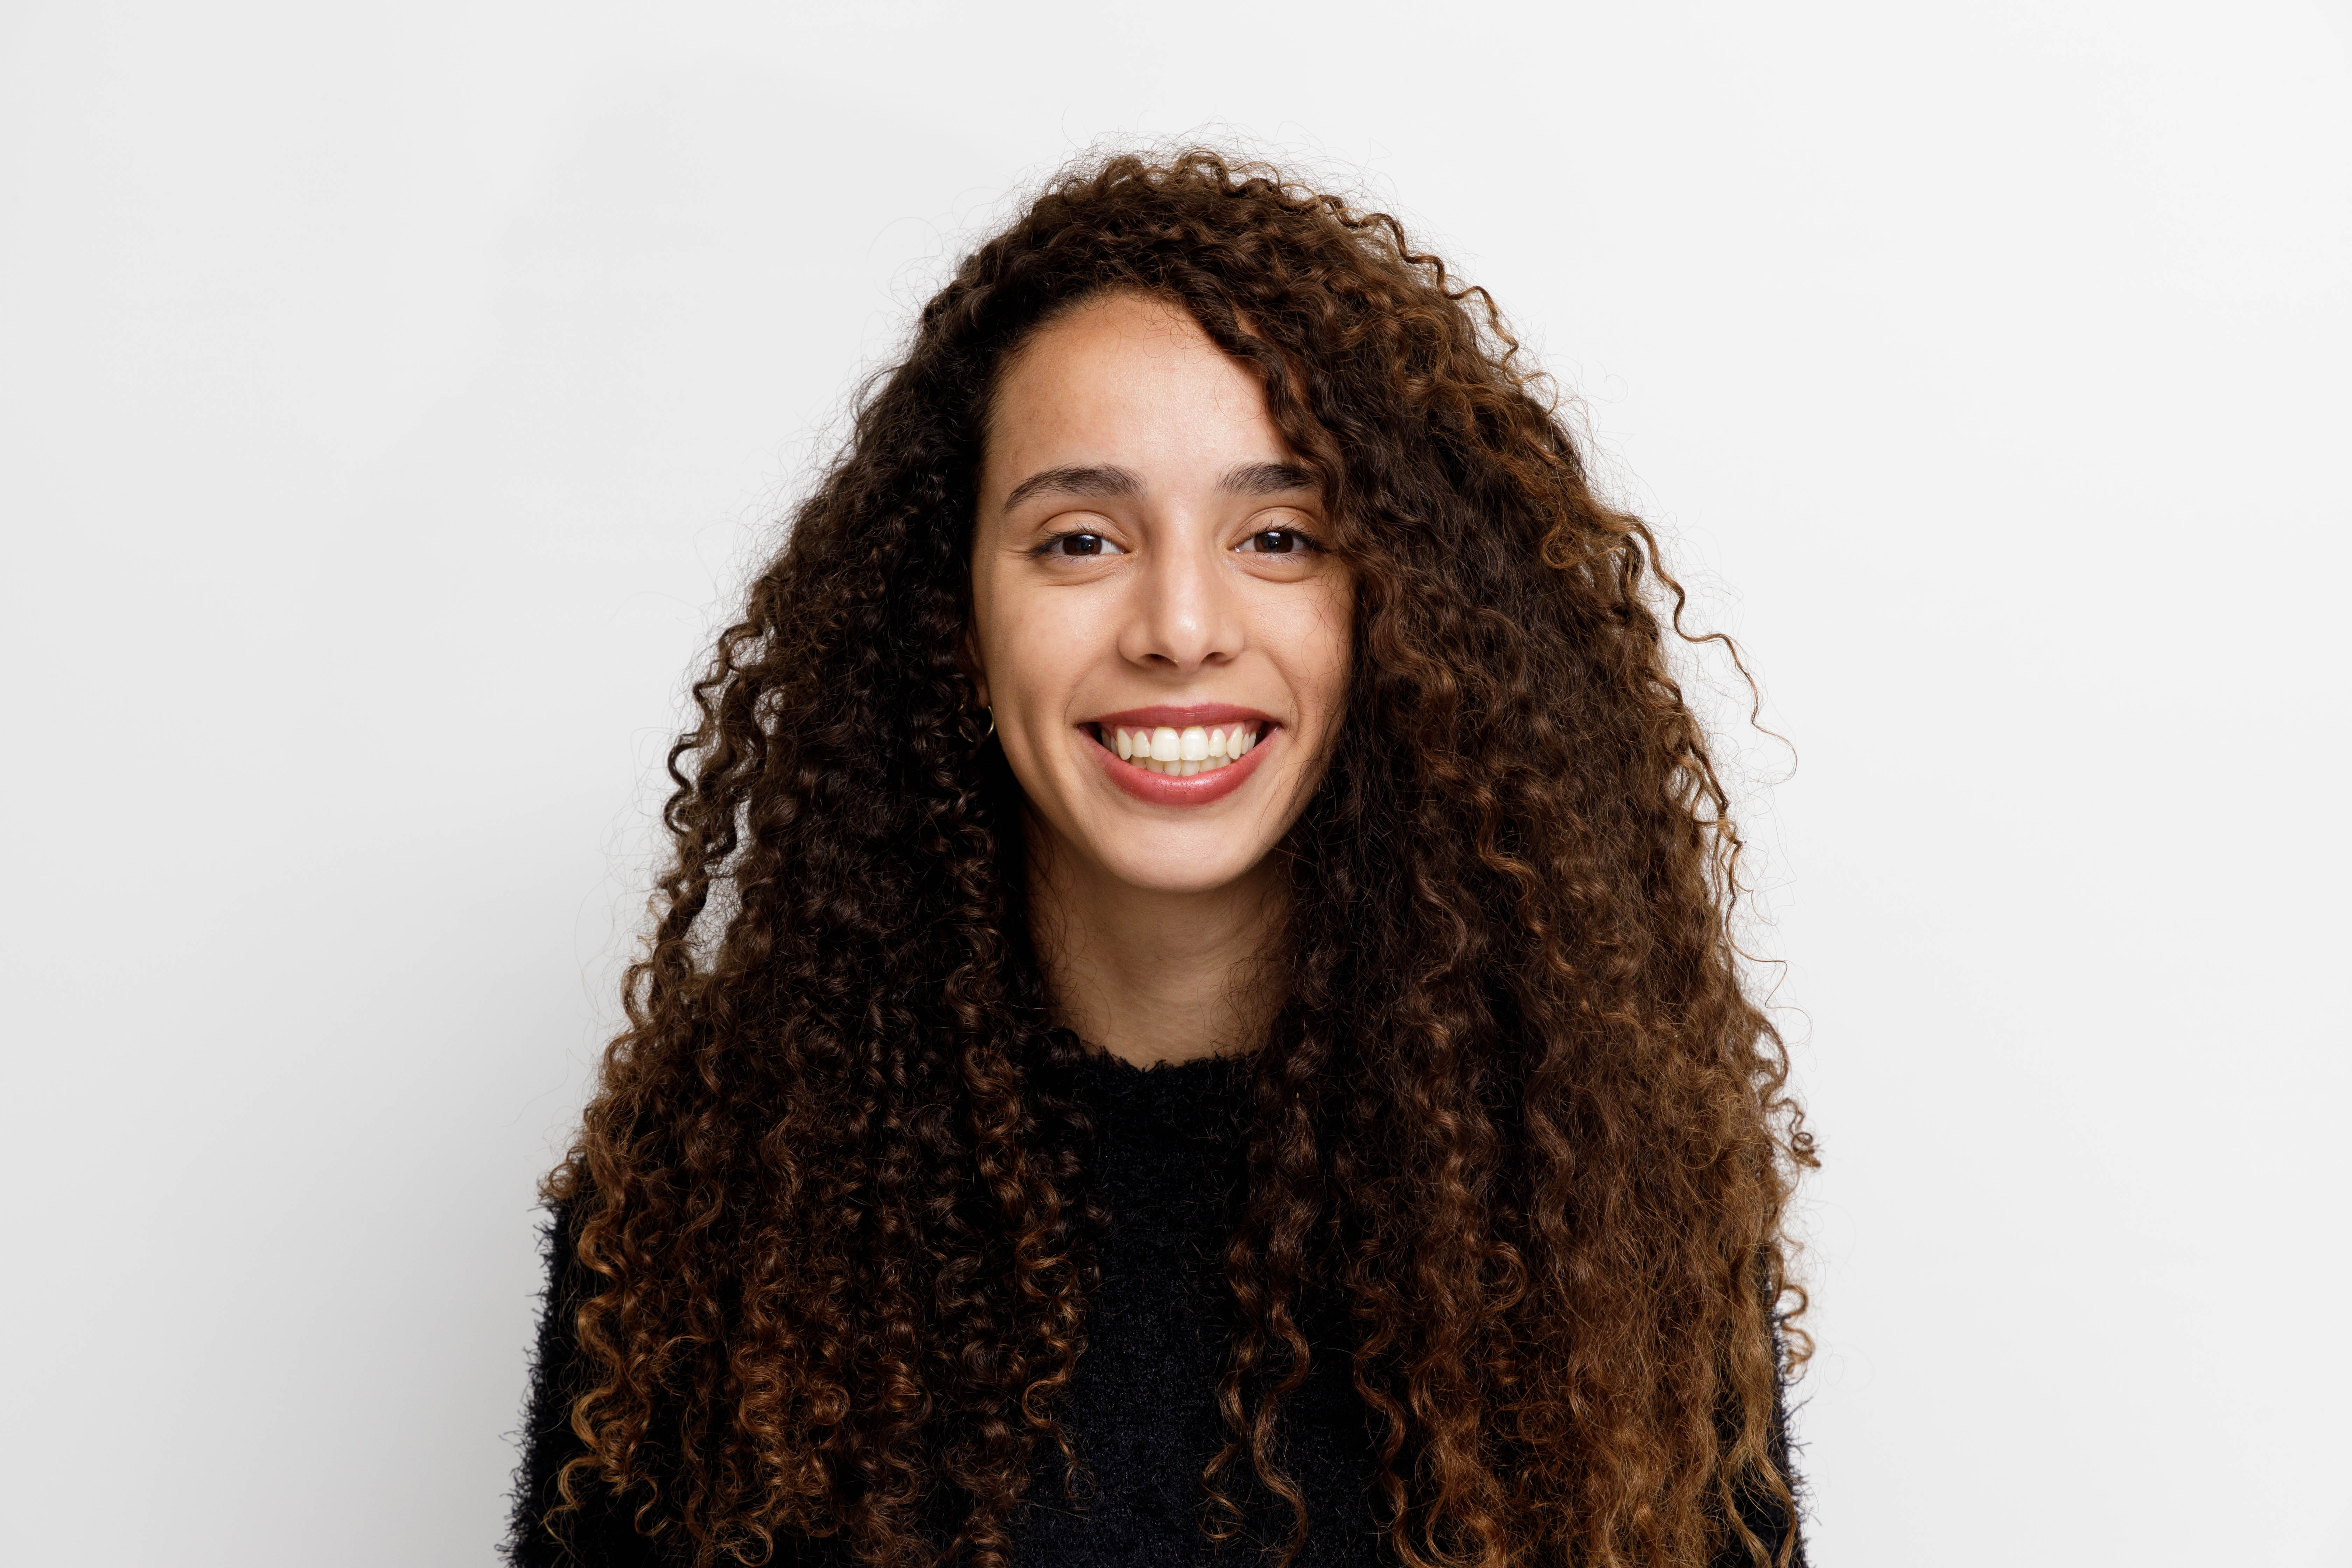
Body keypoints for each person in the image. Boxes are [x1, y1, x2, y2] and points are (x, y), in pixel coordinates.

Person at [508, 149, 1814, 1568]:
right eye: (1081, 540)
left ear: (1394, 609)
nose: (1182, 627)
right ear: (957, 620)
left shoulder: (1598, 1190)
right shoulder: (716, 1205)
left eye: (1280, 536)